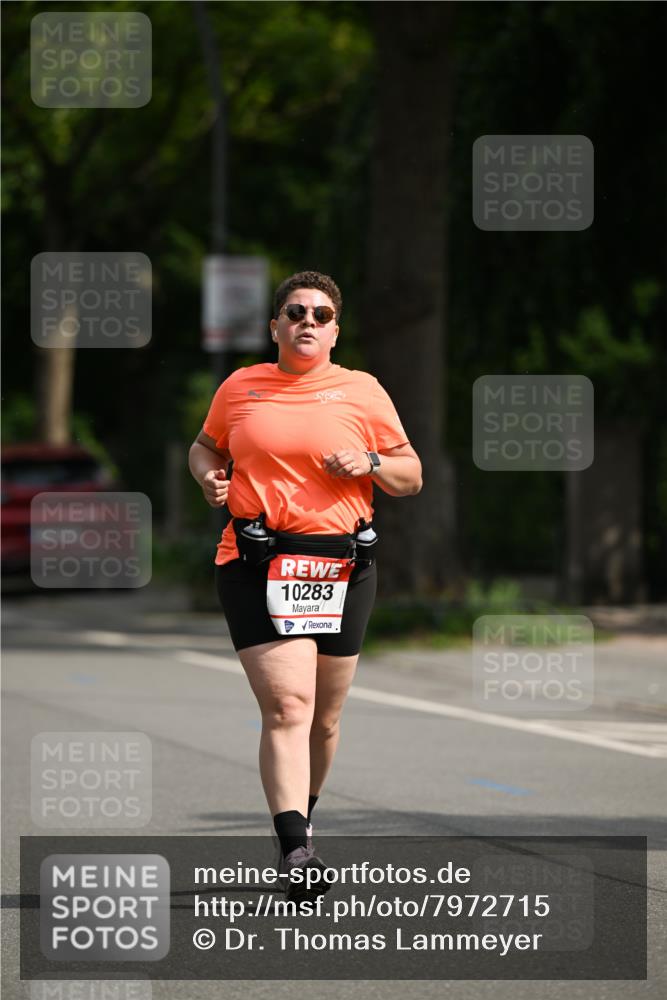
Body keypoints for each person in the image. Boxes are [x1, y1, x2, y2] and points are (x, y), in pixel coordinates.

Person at [188, 270, 422, 901]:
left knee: (323, 718)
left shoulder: (362, 392)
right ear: (276, 327)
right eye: (296, 313)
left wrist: (370, 462)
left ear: (335, 331)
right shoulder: (241, 387)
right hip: (257, 561)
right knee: (289, 708)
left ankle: (303, 818)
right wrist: (209, 477)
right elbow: (204, 447)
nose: (308, 323)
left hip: (343, 567)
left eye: (321, 315)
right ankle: (297, 849)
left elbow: (411, 475)